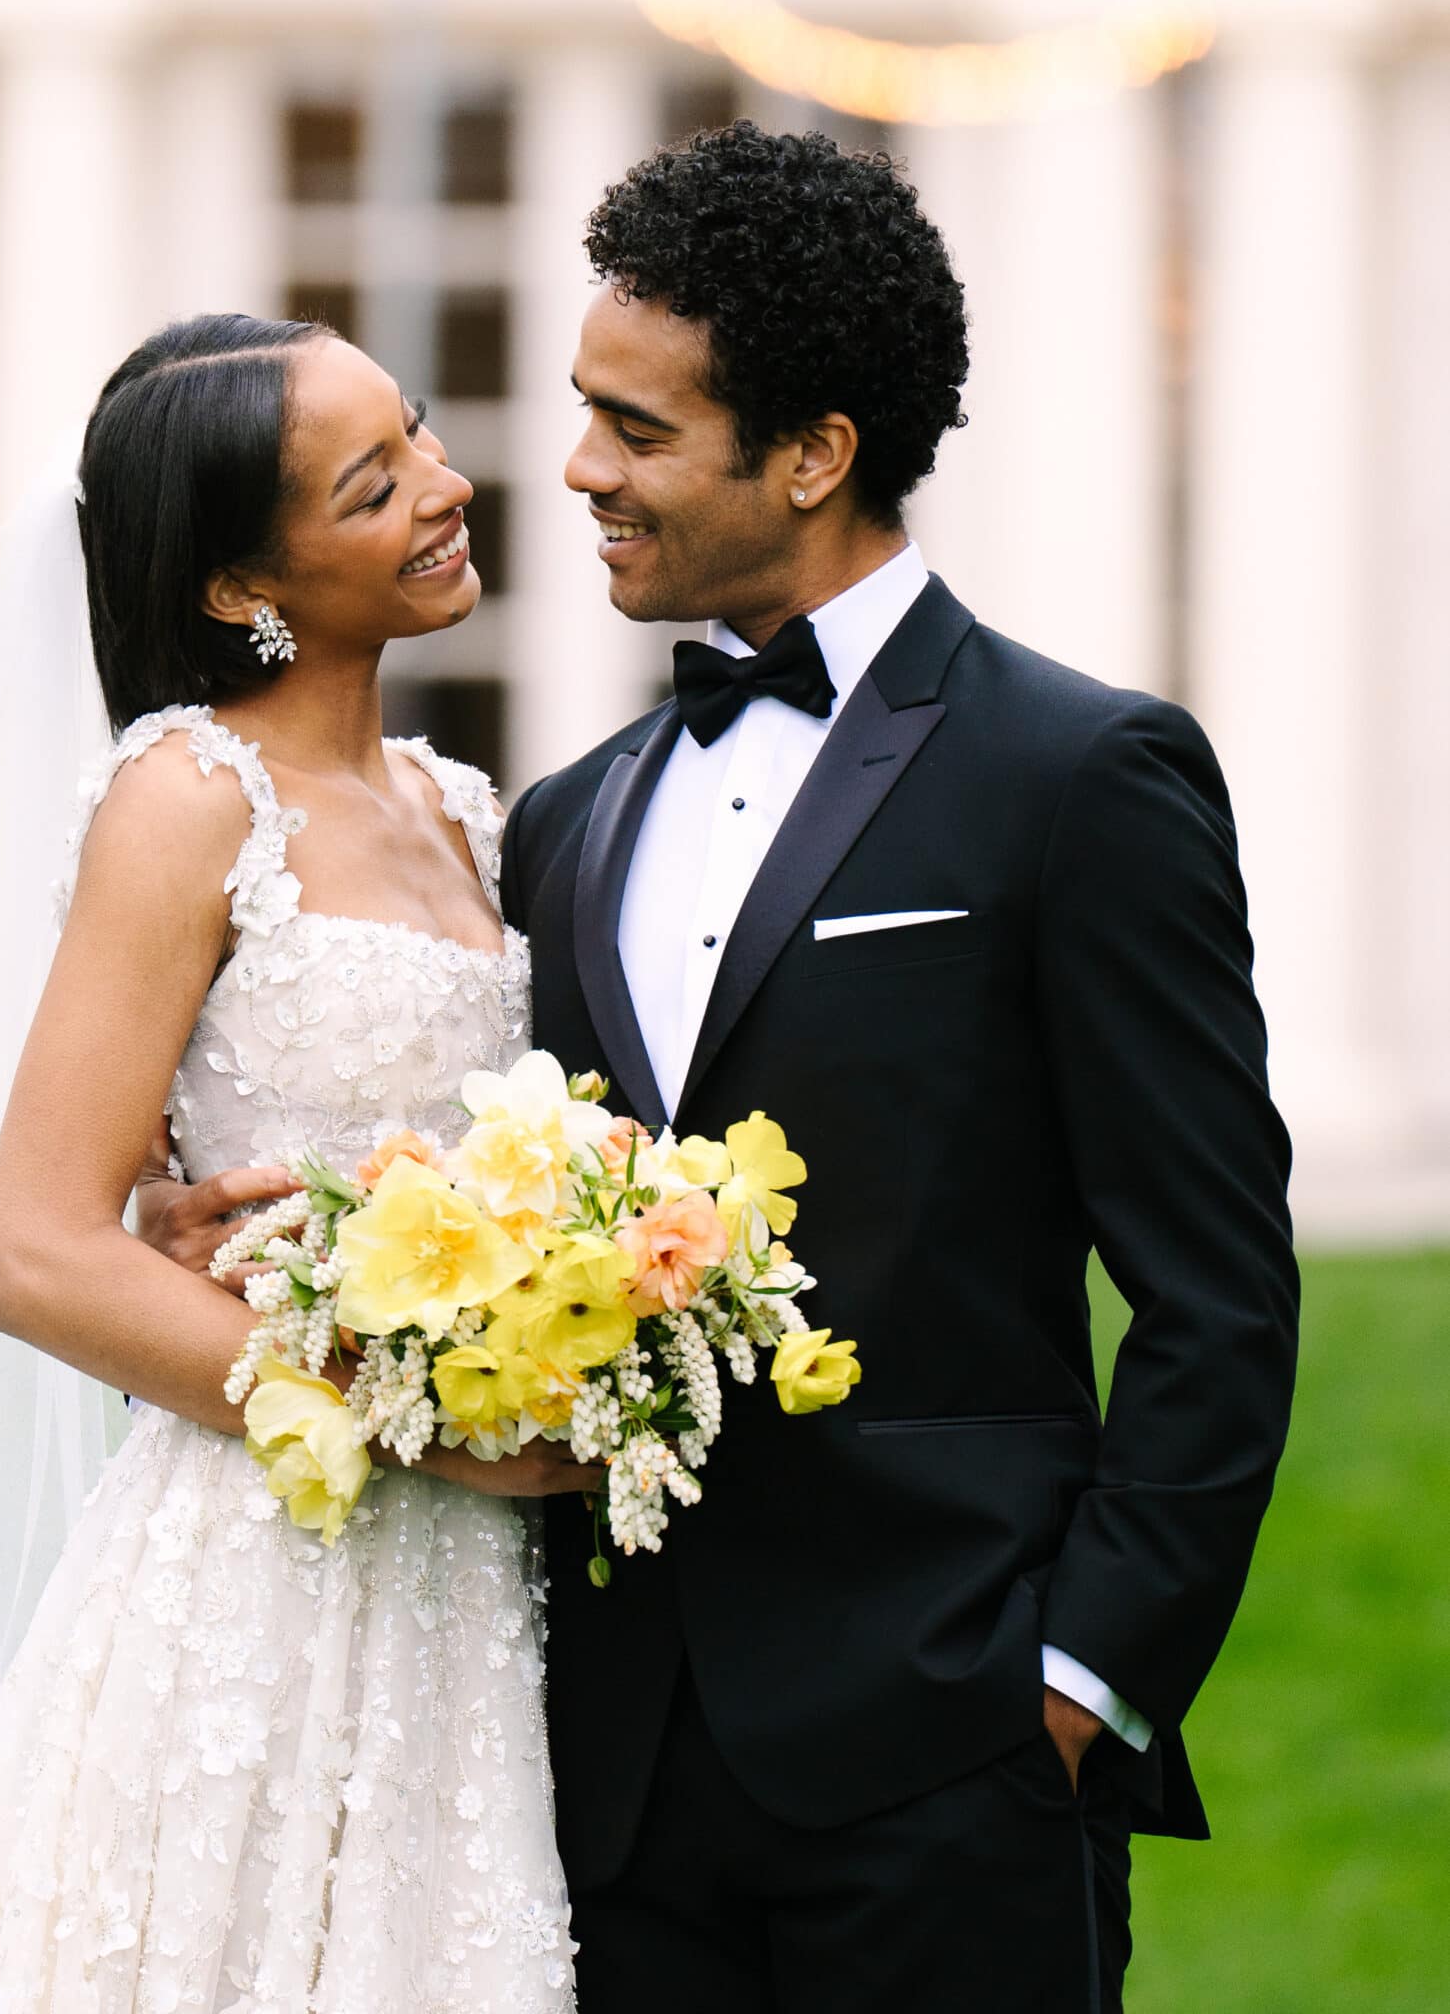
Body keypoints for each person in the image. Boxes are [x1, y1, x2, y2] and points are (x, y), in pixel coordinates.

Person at [139, 123, 1300, 2011]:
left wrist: (1076, 1689)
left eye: (637, 428)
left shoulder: (1081, 779)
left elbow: (1217, 1296)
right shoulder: (568, 821)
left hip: (952, 1761)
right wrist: (237, 1231)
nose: (575, 468)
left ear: (814, 453)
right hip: (587, 1775)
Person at [0, 313, 581, 2013]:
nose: (449, 491)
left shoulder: (463, 808)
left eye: (422, 437)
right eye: (374, 483)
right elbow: (32, 1253)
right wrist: (427, 1422)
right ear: (250, 580)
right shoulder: (186, 798)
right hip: (266, 1554)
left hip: (466, 1593)